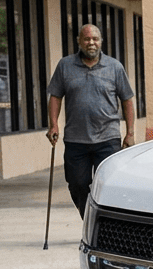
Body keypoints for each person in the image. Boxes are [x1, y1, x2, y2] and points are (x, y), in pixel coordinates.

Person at [46, 24, 136, 217]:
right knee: (77, 185)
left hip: (108, 139)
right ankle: (88, 220)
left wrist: (130, 133)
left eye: (95, 39)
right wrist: (53, 123)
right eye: (86, 39)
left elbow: (127, 99)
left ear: (101, 42)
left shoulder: (114, 67)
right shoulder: (65, 66)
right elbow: (55, 96)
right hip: (76, 140)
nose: (91, 43)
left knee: (108, 185)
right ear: (79, 41)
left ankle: (105, 227)